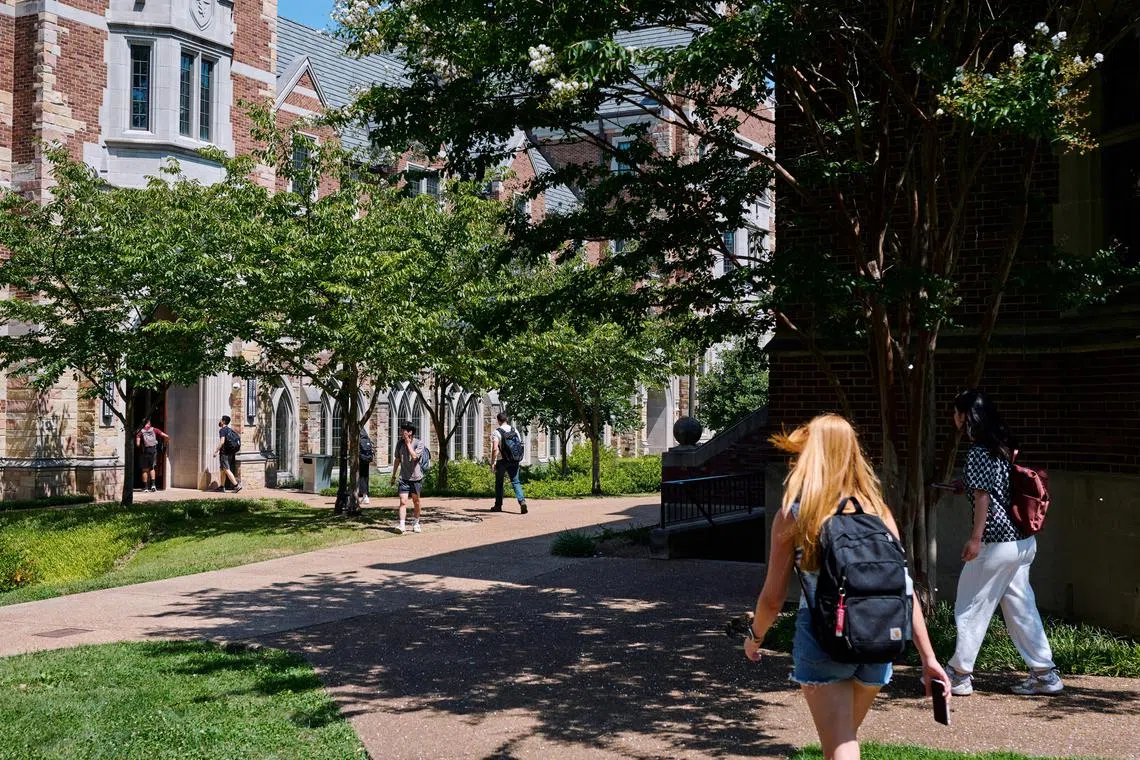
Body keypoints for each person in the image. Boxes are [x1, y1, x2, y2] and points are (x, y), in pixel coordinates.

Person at [743, 414, 949, 760]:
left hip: (823, 637)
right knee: (842, 739)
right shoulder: (878, 511)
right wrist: (928, 656)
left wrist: (755, 636)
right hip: (879, 638)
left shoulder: (796, 513)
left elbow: (773, 597)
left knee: (841, 745)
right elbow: (903, 588)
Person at [945, 389, 1063, 696]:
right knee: (1021, 608)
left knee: (971, 606)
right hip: (1022, 542)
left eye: (956, 412)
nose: (954, 417)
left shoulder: (978, 451)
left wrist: (975, 539)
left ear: (966, 417)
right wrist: (965, 486)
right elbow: (996, 487)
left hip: (995, 544)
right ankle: (1045, 674)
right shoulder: (1001, 445)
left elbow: (984, 496)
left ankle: (958, 675)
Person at [489, 412, 528, 514]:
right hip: (514, 460)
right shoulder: (514, 430)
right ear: (507, 419)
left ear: (498, 421)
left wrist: (493, 462)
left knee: (499, 483)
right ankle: (522, 501)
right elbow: (519, 445)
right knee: (516, 481)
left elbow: (495, 449)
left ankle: (498, 505)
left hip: (502, 461)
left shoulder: (497, 432)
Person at [389, 421, 424, 533]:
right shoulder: (399, 444)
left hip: (416, 478)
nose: (401, 432)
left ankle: (416, 522)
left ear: (410, 432)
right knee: (403, 501)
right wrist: (393, 475)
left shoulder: (419, 443)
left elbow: (414, 457)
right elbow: (397, 460)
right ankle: (402, 525)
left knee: (416, 501)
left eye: (403, 430)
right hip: (403, 478)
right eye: (401, 430)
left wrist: (408, 443)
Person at [134, 418, 169, 493]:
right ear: (149, 423)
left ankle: (146, 487)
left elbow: (137, 444)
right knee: (152, 468)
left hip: (144, 452)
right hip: (153, 451)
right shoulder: (155, 430)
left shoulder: (140, 432)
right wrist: (166, 443)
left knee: (144, 470)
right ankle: (153, 485)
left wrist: (140, 444)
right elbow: (166, 436)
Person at [215, 415, 243, 492]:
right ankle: (222, 486)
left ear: (223, 421)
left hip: (224, 453)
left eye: (221, 420)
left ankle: (236, 486)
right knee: (222, 469)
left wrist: (216, 451)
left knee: (226, 469)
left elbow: (222, 442)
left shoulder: (222, 430)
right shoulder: (229, 430)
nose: (220, 421)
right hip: (230, 453)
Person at [358, 429, 375, 505]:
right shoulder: (367, 438)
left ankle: (364, 496)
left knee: (361, 477)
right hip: (367, 459)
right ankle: (365, 495)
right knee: (365, 476)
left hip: (361, 459)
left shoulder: (358, 439)